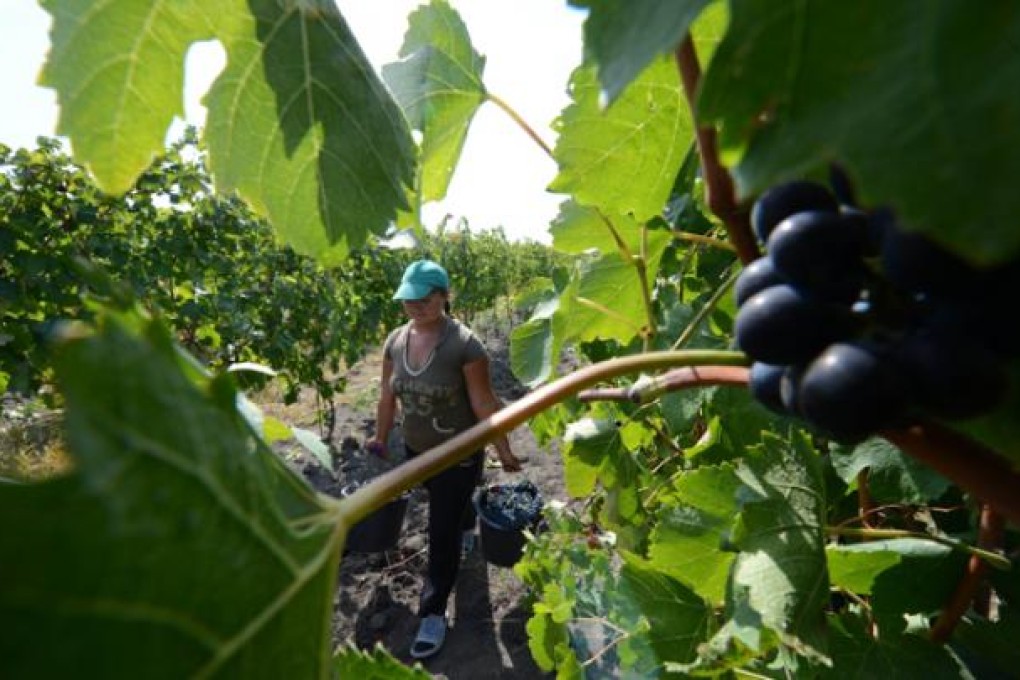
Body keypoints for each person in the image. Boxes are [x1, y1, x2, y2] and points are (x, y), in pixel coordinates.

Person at [367, 258, 522, 660]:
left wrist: (503, 449)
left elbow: (484, 402)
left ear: (444, 296)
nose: (415, 306)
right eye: (408, 299)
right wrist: (380, 437)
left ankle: (433, 613)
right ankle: (466, 523)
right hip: (416, 451)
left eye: (424, 298)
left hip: (457, 454)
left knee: (440, 533)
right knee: (446, 513)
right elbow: (387, 395)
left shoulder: (465, 345)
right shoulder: (395, 341)